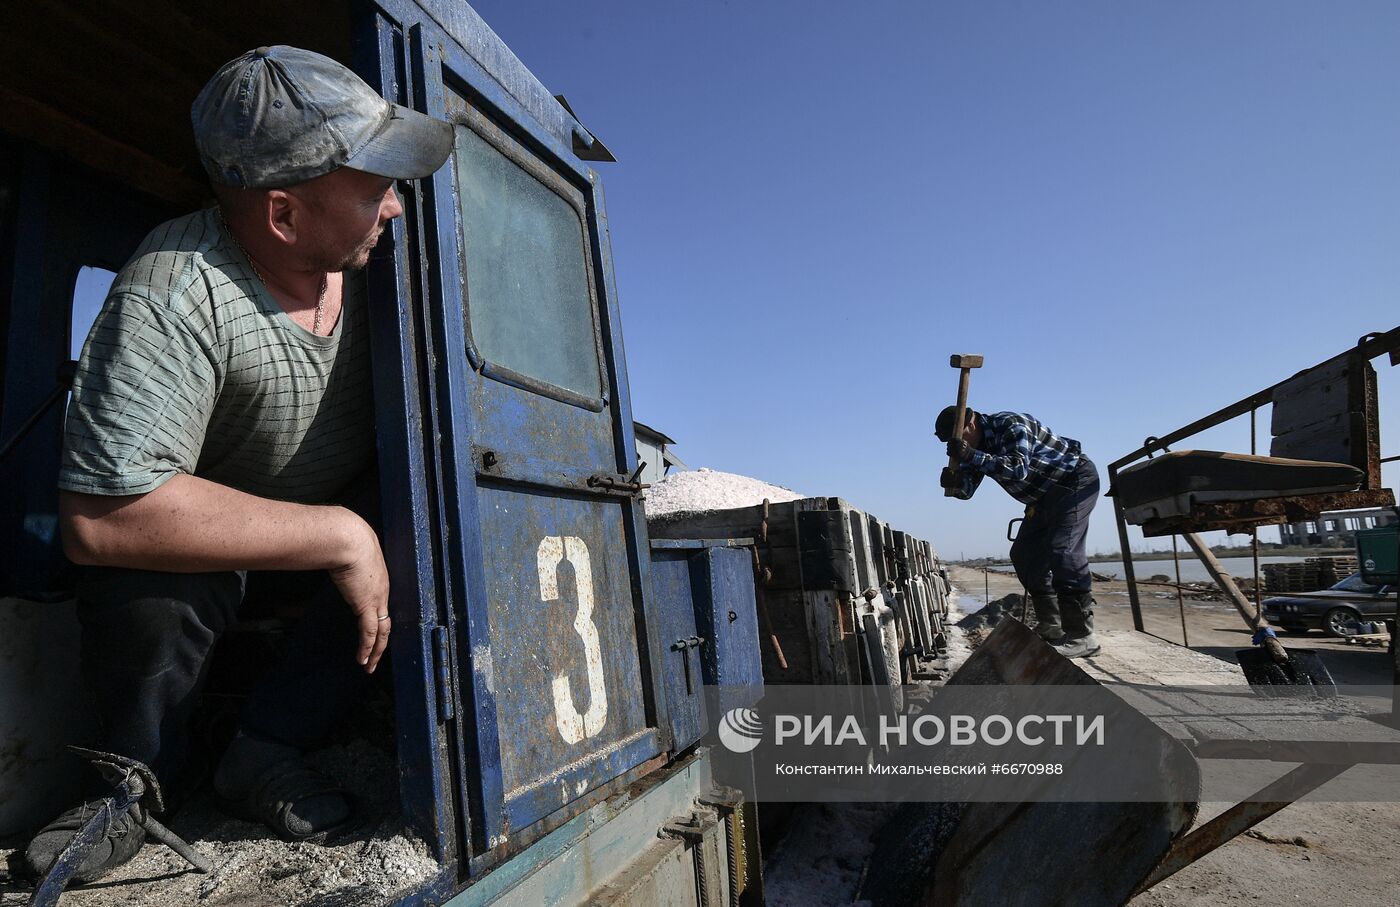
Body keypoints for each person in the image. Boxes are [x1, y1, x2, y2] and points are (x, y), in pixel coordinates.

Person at [24, 45, 454, 883]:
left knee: (420, 507)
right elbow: (100, 516)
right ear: (284, 217)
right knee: (146, 585)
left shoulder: (389, 267)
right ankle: (132, 778)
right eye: (375, 188)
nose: (397, 208)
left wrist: (358, 528)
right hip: (217, 547)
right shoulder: (175, 288)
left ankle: (263, 747)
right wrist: (338, 534)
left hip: (331, 536)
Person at [936, 406, 1101, 658]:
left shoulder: (1011, 424)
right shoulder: (976, 446)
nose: (956, 444)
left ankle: (1082, 636)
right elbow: (968, 491)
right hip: (1040, 498)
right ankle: (1052, 625)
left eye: (957, 439)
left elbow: (1017, 468)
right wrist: (955, 483)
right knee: (1024, 554)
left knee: (1063, 550)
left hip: (1071, 482)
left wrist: (971, 455)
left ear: (969, 426)